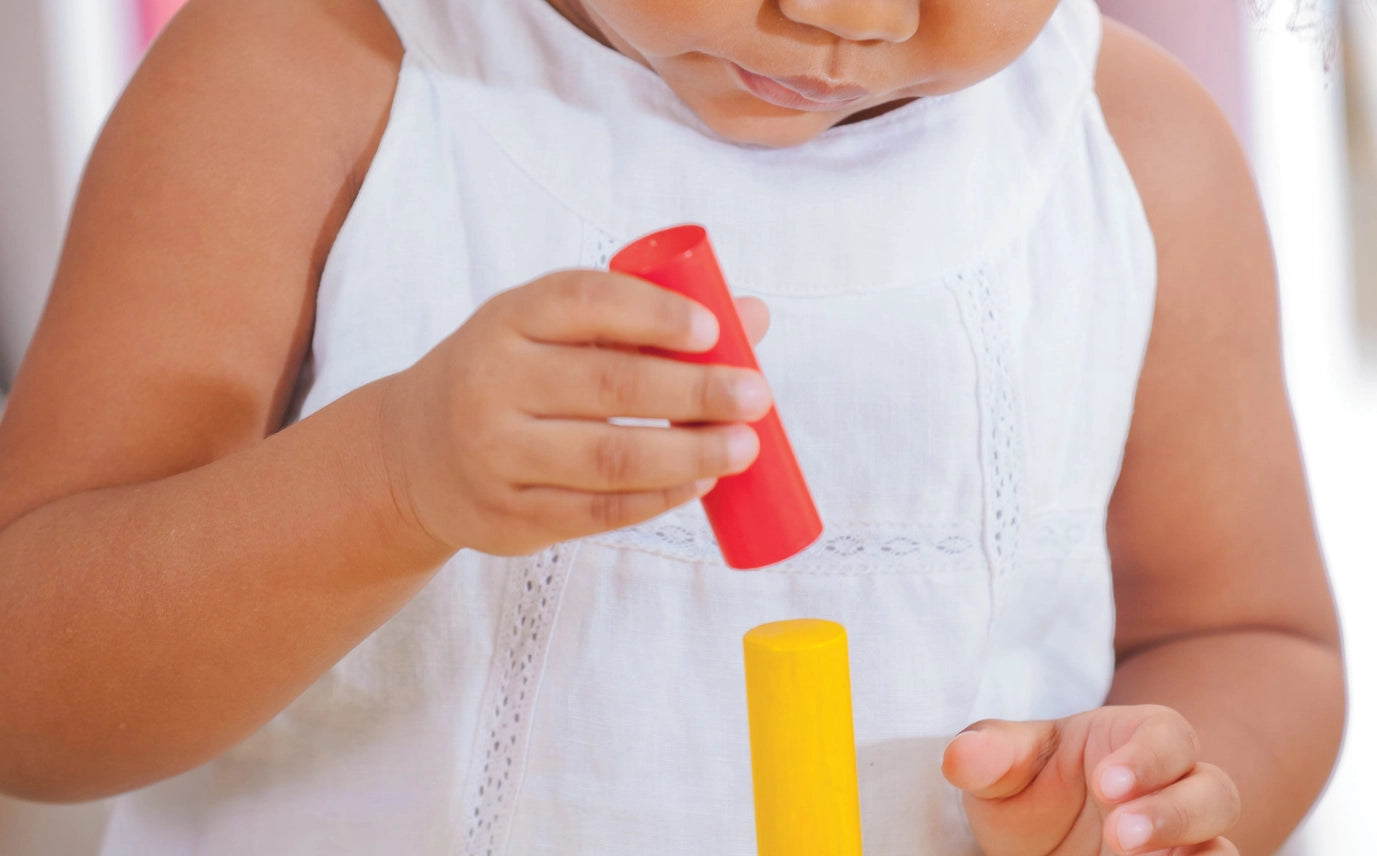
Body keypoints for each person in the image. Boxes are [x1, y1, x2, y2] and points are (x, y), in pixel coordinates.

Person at [0, 0, 1345, 853]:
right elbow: (32, 697)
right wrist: (389, 479)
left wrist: (1153, 794)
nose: (849, 17)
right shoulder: (313, 70)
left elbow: (1250, 639)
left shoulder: (1134, 152)